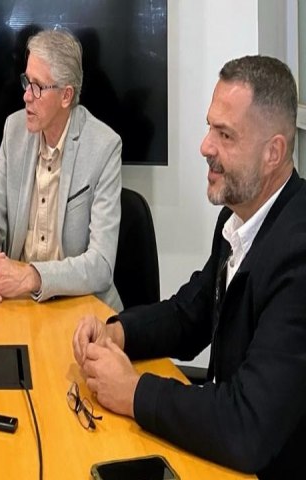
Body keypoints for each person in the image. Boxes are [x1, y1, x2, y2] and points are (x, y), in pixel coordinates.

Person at [73, 55, 303, 479]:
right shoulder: (238, 217)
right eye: (209, 127)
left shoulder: (299, 255)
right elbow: (190, 314)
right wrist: (117, 331)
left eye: (225, 134)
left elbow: (247, 427)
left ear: (273, 152)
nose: (205, 147)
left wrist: (133, 392)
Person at [0, 29, 123, 309]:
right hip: (18, 301)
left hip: (78, 304)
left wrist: (32, 276)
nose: (26, 96)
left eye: (37, 86)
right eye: (26, 82)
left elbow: (101, 264)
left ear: (66, 96)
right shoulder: (14, 130)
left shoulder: (104, 147)